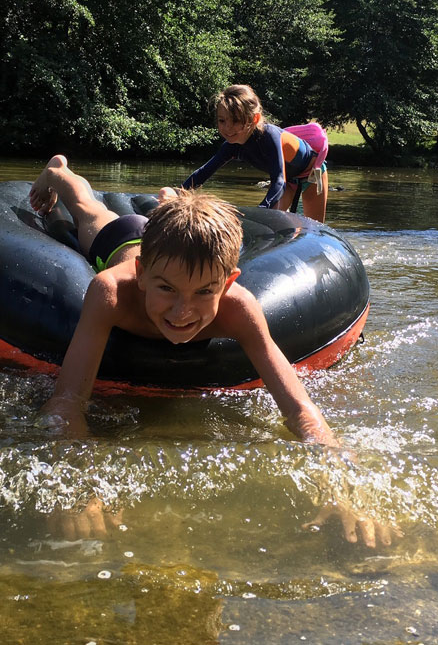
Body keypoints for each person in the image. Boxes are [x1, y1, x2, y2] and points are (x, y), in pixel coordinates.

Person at [28, 154, 398, 547]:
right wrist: (78, 482)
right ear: (142, 276)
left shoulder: (238, 306)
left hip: (168, 251)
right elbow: (67, 400)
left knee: (173, 239)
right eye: (166, 289)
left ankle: (170, 201)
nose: (183, 312)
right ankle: (60, 172)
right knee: (90, 215)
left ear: (229, 282)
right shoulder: (113, 293)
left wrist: (341, 484)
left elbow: (299, 408)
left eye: (205, 291)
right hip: (126, 241)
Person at [182, 84, 330, 222]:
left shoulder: (269, 136)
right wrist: (179, 192)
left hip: (311, 176)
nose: (227, 128)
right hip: (289, 181)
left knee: (314, 228)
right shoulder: (231, 146)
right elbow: (203, 173)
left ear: (255, 119)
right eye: (222, 121)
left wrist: (261, 209)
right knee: (271, 224)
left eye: (235, 121)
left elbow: (278, 181)